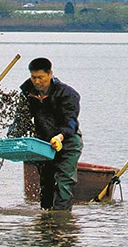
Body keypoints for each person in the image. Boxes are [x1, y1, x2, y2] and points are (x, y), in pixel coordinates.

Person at [20, 57, 82, 210]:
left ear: (50, 74)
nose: (37, 81)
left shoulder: (67, 93)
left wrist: (60, 137)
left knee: (64, 183)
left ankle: (61, 220)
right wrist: (12, 137)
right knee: (46, 183)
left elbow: (71, 122)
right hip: (44, 144)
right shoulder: (27, 93)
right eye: (33, 77)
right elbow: (21, 118)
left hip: (67, 142)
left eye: (40, 77)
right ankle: (46, 221)